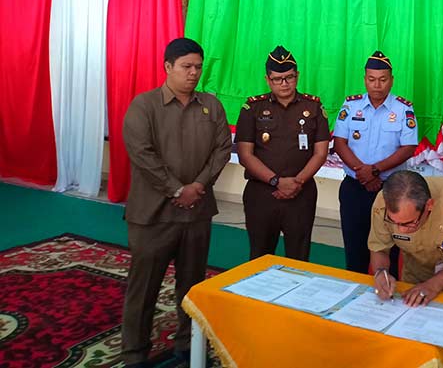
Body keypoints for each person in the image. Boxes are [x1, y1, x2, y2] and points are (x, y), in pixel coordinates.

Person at [121, 37, 232, 368]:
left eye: (198, 67)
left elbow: (222, 149)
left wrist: (197, 186)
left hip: (196, 212)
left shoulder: (211, 105)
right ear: (168, 67)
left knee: (193, 286)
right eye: (186, 67)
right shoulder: (144, 106)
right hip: (153, 216)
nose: (193, 73)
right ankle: (134, 354)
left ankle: (188, 346)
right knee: (143, 289)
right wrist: (176, 190)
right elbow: (142, 154)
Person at [235, 45, 329, 261]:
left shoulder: (313, 107)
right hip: (262, 193)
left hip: (301, 193)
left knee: (298, 258)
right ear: (268, 80)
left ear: (297, 76)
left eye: (289, 77)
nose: (284, 83)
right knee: (259, 256)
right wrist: (276, 181)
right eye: (277, 79)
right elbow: (245, 155)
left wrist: (296, 182)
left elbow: (320, 152)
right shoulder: (253, 108)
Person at [334, 51, 418, 275]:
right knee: (355, 253)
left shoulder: (403, 109)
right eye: (372, 79)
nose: (377, 85)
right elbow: (340, 143)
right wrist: (363, 174)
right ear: (365, 79)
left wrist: (374, 170)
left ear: (391, 80)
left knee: (390, 252)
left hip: (391, 190)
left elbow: (408, 147)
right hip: (355, 188)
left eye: (383, 79)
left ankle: (387, 294)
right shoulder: (351, 105)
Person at [368, 170, 443, 305]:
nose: (401, 230)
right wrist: (380, 272)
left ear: (429, 205)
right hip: (415, 281)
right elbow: (379, 247)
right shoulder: (383, 202)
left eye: (409, 223)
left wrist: (433, 285)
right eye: (393, 222)